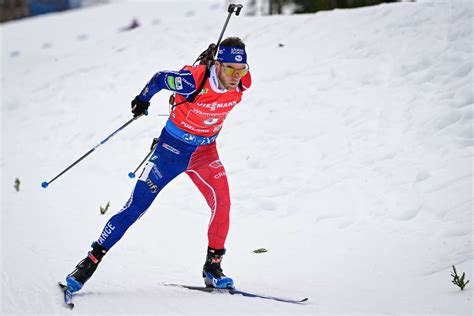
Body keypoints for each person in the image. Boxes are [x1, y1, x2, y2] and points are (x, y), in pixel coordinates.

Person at [64, 37, 252, 292]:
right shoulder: (192, 81)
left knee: (223, 203)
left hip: (205, 153)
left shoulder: (242, 83)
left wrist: (239, 73)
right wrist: (143, 100)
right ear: (217, 65)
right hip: (170, 152)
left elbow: (237, 79)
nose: (236, 76)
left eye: (241, 69)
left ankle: (213, 267)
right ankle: (90, 261)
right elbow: (160, 78)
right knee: (135, 207)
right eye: (230, 68)